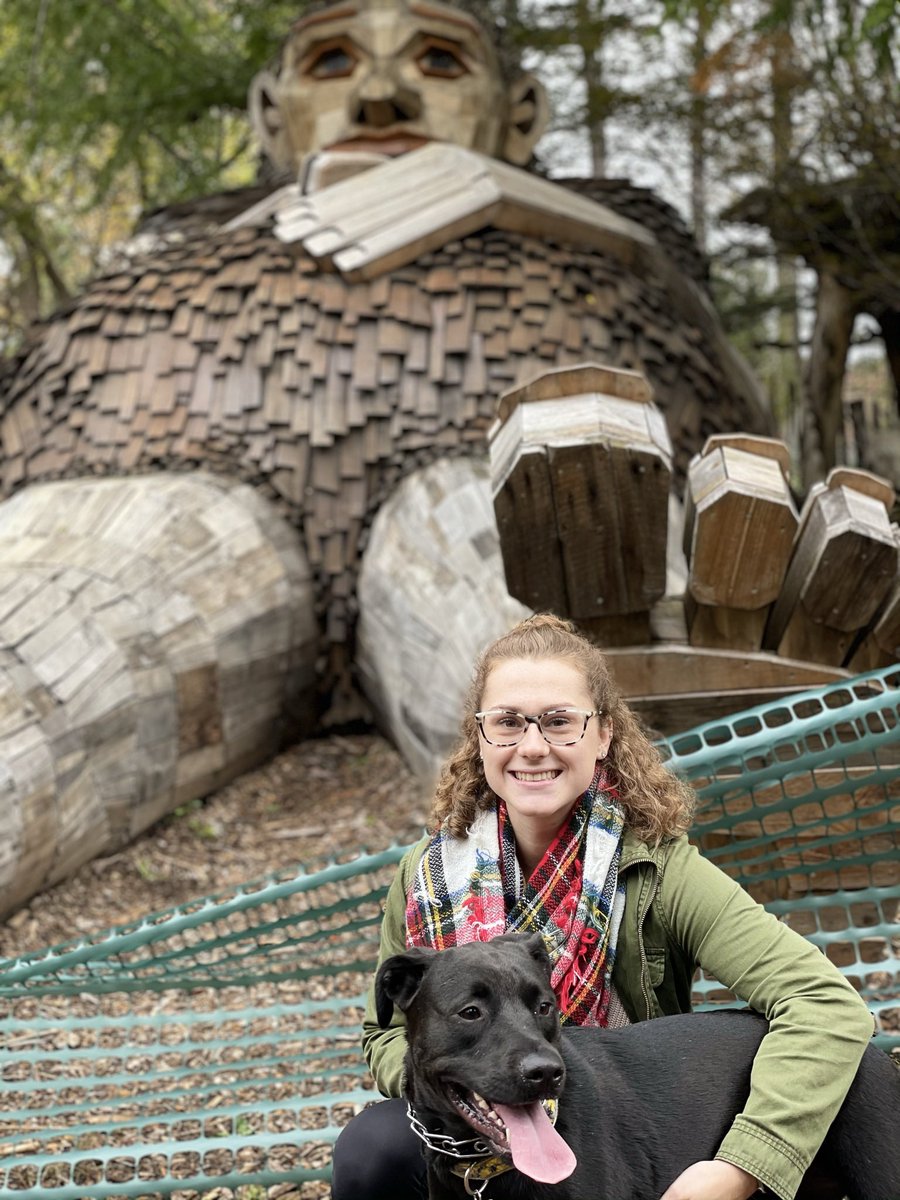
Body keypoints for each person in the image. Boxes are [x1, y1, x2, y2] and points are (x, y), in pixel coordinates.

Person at [331, 613, 874, 1200]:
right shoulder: (426, 874)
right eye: (508, 723)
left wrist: (743, 1165)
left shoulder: (659, 870)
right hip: (472, 1119)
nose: (533, 747)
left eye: (560, 722)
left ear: (604, 735)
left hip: (626, 1122)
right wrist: (456, 1092)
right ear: (479, 736)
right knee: (373, 1152)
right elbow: (383, 1032)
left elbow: (822, 1001)